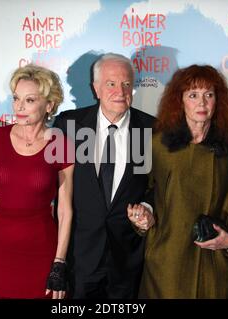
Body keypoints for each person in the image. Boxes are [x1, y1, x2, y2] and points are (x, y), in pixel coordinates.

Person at [131, 65, 228, 298]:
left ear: (218, 101)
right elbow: (145, 193)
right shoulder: (156, 145)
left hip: (216, 267)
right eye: (193, 95)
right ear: (179, 101)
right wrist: (144, 215)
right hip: (167, 264)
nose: (202, 103)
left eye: (208, 95)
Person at [53, 53, 155, 298]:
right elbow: (51, 184)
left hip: (128, 259)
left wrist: (147, 206)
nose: (120, 91)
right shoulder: (68, 125)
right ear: (96, 88)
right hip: (80, 257)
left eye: (126, 84)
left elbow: (159, 185)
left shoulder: (151, 129)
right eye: (111, 84)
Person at [0, 64, 74, 299]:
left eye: (29, 100)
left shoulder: (60, 144)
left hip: (41, 248)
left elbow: (64, 211)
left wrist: (59, 262)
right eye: (16, 98)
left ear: (49, 105)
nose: (19, 106)